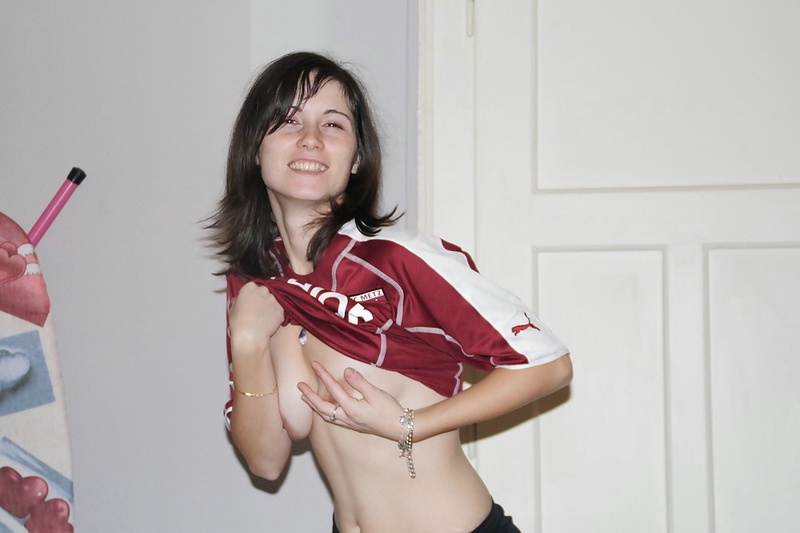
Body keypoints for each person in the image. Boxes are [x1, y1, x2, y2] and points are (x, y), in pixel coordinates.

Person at [208, 51, 573, 533]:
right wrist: (249, 341)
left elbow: (548, 366)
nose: (311, 138)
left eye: (333, 124)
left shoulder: (395, 257)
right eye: (289, 120)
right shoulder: (257, 284)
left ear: (357, 159)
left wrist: (410, 425)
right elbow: (266, 461)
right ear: (255, 148)